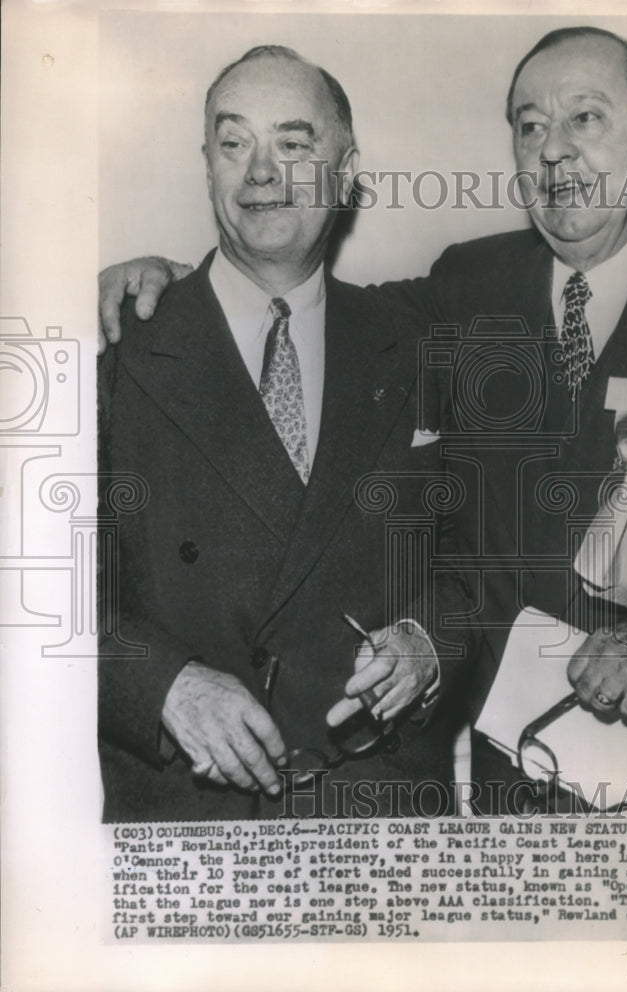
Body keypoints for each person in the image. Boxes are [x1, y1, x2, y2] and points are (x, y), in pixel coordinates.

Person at [99, 27, 627, 811]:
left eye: (586, 118)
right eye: (530, 126)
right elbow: (300, 309)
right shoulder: (472, 282)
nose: (553, 151)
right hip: (516, 767)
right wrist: (163, 284)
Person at [98, 45, 473, 822]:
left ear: (347, 170)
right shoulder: (115, 348)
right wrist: (163, 683)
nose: (260, 171)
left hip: (384, 812)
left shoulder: (417, 339)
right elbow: (43, 595)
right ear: (208, 166)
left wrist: (431, 642)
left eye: (293, 144)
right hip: (190, 818)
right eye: (234, 143)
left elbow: (483, 555)